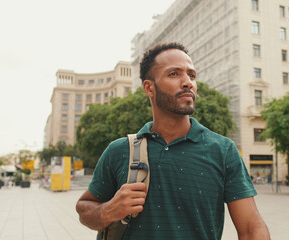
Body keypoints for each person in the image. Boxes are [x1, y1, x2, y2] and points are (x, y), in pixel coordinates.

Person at [76, 42, 270, 239]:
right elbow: (85, 208)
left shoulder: (223, 150)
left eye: (191, 75)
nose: (188, 82)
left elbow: (251, 229)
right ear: (149, 88)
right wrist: (109, 210)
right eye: (174, 74)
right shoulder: (118, 151)